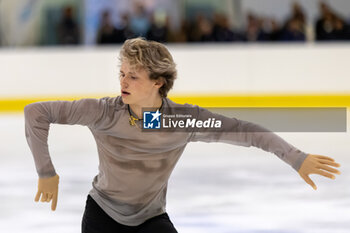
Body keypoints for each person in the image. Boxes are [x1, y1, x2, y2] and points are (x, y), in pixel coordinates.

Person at [24, 38, 341, 233]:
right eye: (121, 73)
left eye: (133, 76)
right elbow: (36, 113)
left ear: (157, 82)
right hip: (101, 218)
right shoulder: (103, 112)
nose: (123, 81)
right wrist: (45, 172)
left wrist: (296, 158)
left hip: (150, 221)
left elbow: (247, 132)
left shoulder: (184, 122)